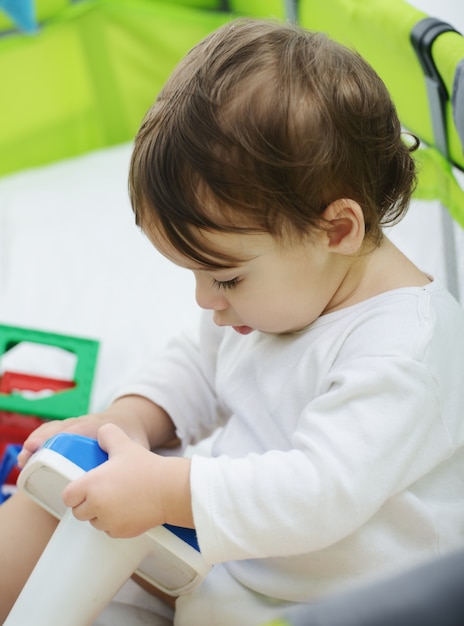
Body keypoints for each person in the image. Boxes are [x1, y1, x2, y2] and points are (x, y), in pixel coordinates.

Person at [1, 17, 464, 626]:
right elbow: (196, 364)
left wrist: (165, 489)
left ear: (338, 230)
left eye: (225, 278)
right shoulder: (281, 298)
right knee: (59, 487)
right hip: (221, 566)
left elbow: (316, 493)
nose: (205, 301)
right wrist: (129, 419)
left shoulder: (404, 350)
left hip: (316, 603)